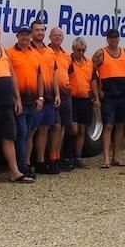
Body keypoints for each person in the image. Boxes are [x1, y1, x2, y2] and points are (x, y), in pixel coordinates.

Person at [0, 21, 34, 183]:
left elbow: (12, 76)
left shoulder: (4, 51)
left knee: (8, 137)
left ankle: (14, 171)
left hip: (6, 103)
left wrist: (17, 99)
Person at [92, 28, 125, 168]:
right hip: (108, 94)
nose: (113, 40)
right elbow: (92, 75)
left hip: (123, 94)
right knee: (108, 125)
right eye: (111, 38)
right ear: (107, 39)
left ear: (119, 39)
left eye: (116, 37)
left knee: (120, 125)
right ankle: (106, 158)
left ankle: (116, 157)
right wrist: (98, 93)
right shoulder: (100, 53)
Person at [8, 24, 43, 178]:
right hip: (19, 101)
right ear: (17, 36)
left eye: (27, 35)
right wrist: (16, 99)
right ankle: (21, 167)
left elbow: (40, 77)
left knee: (28, 133)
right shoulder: (10, 53)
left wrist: (40, 97)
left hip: (33, 101)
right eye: (22, 34)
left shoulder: (35, 53)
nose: (25, 37)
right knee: (21, 133)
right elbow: (9, 76)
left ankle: (25, 163)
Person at [29, 19, 60, 175]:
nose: (40, 32)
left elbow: (55, 74)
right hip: (34, 97)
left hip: (49, 96)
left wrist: (57, 93)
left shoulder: (49, 52)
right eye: (37, 30)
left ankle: (41, 162)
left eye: (42, 30)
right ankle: (27, 163)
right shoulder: (28, 50)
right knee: (31, 130)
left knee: (44, 129)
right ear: (32, 32)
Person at [47, 26, 74, 171]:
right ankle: (51, 158)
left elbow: (69, 72)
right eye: (55, 35)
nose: (57, 37)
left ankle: (58, 156)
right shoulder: (46, 52)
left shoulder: (66, 55)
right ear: (50, 37)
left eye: (60, 35)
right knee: (55, 127)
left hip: (66, 95)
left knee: (63, 127)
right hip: (52, 94)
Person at [68, 36, 96, 168]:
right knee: (73, 129)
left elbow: (93, 80)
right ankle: (67, 155)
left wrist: (95, 97)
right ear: (73, 48)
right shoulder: (68, 61)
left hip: (85, 99)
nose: (81, 53)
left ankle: (77, 157)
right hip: (72, 99)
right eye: (79, 50)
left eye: (83, 50)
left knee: (82, 129)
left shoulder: (89, 62)